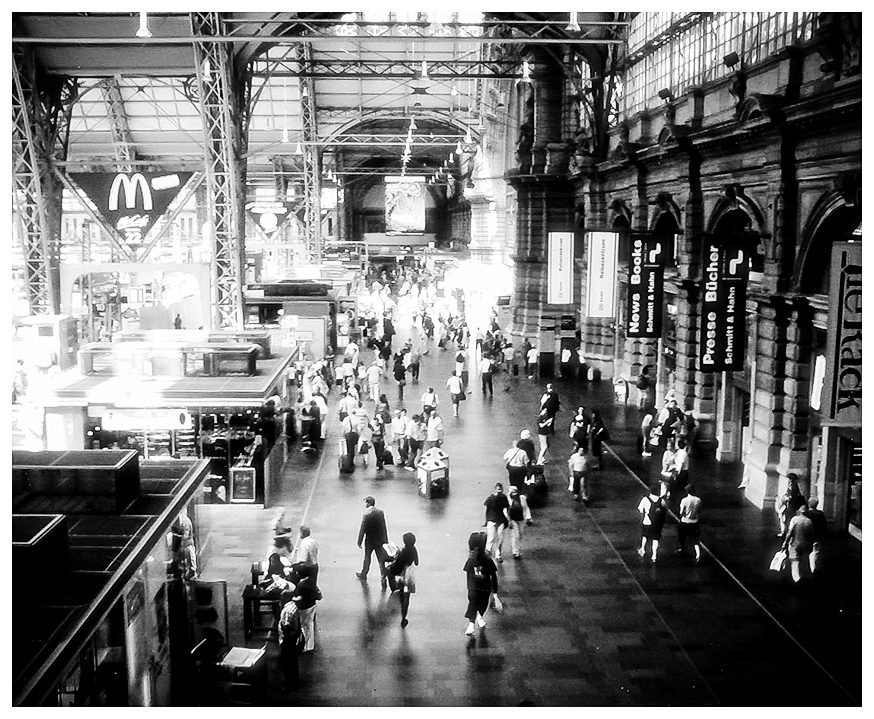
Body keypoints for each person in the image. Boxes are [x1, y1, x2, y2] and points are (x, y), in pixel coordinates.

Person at [463, 532, 499, 636]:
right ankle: (471, 624)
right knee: (473, 604)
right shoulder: (473, 560)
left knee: (483, 605)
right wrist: (470, 588)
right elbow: (468, 574)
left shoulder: (487, 560)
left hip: (485, 589)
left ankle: (479, 615)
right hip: (475, 588)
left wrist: (494, 592)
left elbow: (493, 576)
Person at [356, 496, 391, 589]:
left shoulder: (366, 515)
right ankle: (383, 578)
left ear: (368, 503)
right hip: (380, 540)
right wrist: (385, 540)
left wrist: (359, 541)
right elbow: (384, 527)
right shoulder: (380, 512)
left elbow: (362, 529)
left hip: (370, 541)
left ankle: (364, 574)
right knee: (381, 559)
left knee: (367, 557)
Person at [388, 532, 419, 628]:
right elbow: (417, 563)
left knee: (390, 573)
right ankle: (404, 617)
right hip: (409, 575)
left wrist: (395, 556)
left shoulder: (402, 551)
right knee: (406, 597)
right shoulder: (414, 550)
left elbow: (397, 565)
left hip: (401, 574)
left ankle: (395, 587)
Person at [290, 566, 321, 653]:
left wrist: (292, 598)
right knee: (309, 625)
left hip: (304, 608)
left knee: (304, 626)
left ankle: (305, 646)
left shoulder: (301, 585)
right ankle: (309, 645)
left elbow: (299, 598)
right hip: (312, 605)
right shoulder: (311, 582)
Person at [278, 593, 305, 689]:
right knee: (293, 661)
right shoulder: (292, 607)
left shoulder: (288, 611)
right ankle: (294, 681)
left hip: (288, 640)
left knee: (287, 662)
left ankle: (289, 683)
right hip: (293, 637)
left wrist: (286, 640)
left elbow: (286, 626)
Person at [783, 504, 815, 583]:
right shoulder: (809, 521)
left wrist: (785, 542)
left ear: (799, 512)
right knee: (804, 560)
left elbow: (790, 532)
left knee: (794, 560)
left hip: (795, 543)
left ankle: (796, 579)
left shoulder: (795, 519)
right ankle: (805, 577)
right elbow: (812, 534)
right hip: (806, 543)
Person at [637, 485, 666, 563]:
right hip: (657, 523)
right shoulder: (661, 500)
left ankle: (643, 550)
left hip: (646, 522)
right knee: (655, 538)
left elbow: (640, 510)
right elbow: (665, 509)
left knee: (645, 536)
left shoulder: (645, 499)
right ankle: (654, 555)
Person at [482, 483, 510, 562]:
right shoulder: (490, 499)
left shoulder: (503, 498)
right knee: (491, 537)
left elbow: (506, 508)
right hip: (491, 519)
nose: (499, 492)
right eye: (498, 490)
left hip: (500, 519)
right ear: (495, 489)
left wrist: (507, 518)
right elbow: (485, 509)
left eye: (501, 490)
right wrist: (485, 520)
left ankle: (498, 554)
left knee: (500, 537)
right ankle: (488, 551)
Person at [676, 484, 702, 563]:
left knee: (682, 537)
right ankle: (698, 554)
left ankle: (682, 549)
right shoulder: (698, 500)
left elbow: (681, 512)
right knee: (695, 540)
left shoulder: (684, 500)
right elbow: (699, 510)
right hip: (694, 522)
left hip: (685, 521)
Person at [506, 485, 532, 559]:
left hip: (521, 519)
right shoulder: (508, 500)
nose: (514, 493)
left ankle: (518, 549)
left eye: (515, 491)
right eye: (512, 492)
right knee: (515, 535)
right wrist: (508, 520)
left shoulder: (522, 498)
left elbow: (526, 508)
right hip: (513, 519)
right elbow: (506, 511)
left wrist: (528, 517)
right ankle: (515, 552)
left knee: (520, 534)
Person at [776, 474, 804, 538]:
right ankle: (785, 531)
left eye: (788, 478)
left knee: (784, 518)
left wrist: (784, 500)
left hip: (790, 506)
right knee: (783, 517)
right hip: (789, 505)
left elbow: (791, 497)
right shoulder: (792, 486)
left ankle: (785, 531)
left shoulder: (793, 487)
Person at [806, 499, 828, 573]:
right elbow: (825, 525)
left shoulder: (807, 514)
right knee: (815, 551)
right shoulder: (821, 514)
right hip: (818, 535)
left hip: (808, 535)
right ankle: (813, 567)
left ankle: (809, 567)